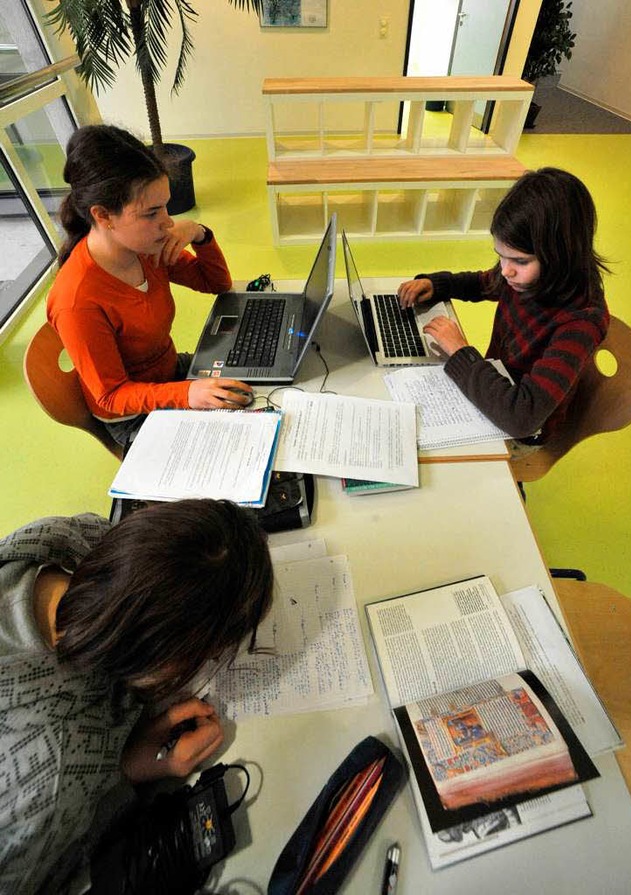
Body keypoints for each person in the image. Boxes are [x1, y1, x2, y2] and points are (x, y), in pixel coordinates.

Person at [0, 499, 273, 894]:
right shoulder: (54, 772)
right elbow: (62, 874)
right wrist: (127, 772)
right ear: (162, 662)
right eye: (207, 656)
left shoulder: (66, 538)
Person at [47, 125, 254, 447]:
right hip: (134, 414)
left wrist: (198, 233)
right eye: (152, 213)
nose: (168, 221)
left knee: (262, 381)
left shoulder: (146, 249)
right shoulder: (77, 301)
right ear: (103, 216)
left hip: (171, 372)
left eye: (166, 206)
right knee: (240, 440)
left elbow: (216, 283)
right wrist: (187, 393)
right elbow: (113, 395)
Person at [397, 167, 610, 443]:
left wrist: (462, 352)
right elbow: (487, 282)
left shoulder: (580, 322)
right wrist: (438, 285)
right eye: (501, 257)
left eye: (520, 261)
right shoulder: (527, 277)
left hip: (523, 430)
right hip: (493, 384)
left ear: (562, 255)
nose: (506, 271)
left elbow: (522, 418)